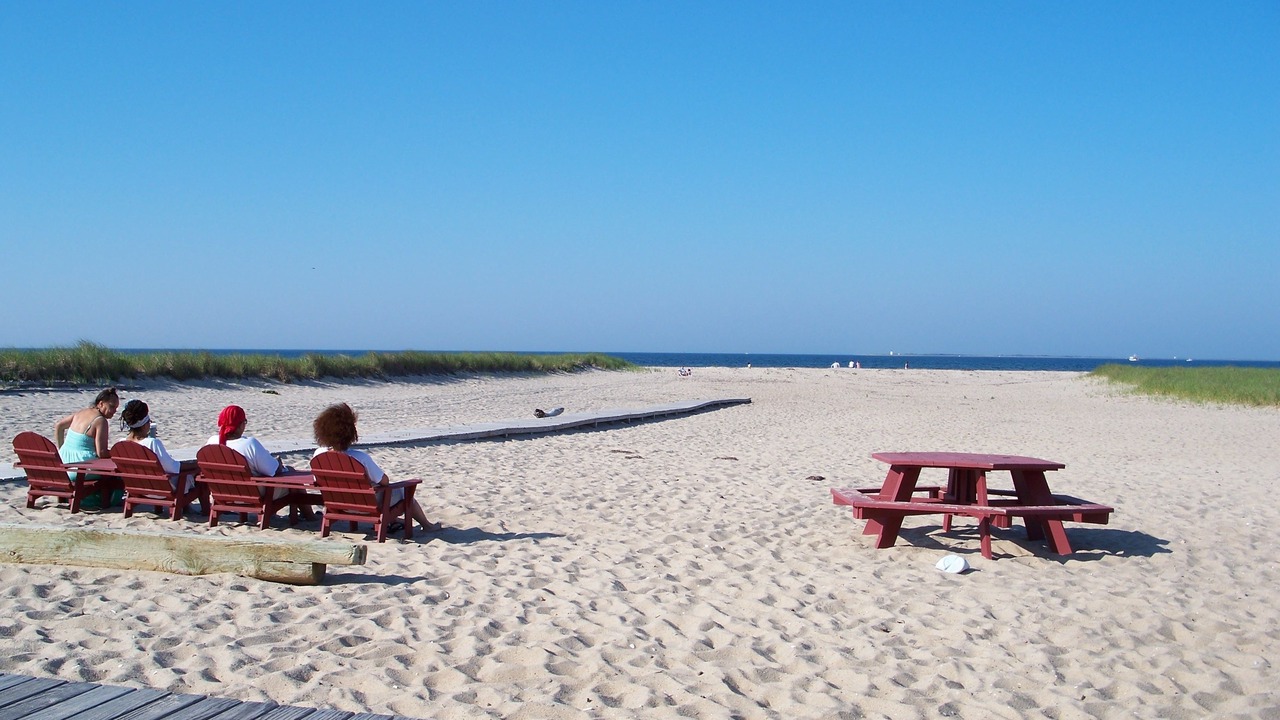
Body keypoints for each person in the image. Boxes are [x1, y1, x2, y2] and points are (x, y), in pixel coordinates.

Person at [311, 402, 441, 533]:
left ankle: (394, 521)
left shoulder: (318, 455)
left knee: (377, 492)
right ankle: (427, 526)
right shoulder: (360, 458)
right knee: (404, 492)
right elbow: (384, 481)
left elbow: (317, 479)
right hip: (367, 506)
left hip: (337, 504)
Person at [120, 399, 194, 494]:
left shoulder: (121, 444)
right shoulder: (152, 443)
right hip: (160, 491)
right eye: (149, 422)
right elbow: (173, 468)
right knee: (191, 476)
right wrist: (196, 465)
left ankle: (187, 508)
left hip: (136, 489)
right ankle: (189, 507)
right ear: (144, 425)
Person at [205, 405, 288, 476]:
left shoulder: (212, 442)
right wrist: (278, 464)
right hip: (254, 492)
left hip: (220, 489)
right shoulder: (249, 444)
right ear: (241, 425)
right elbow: (271, 471)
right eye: (245, 422)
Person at [54, 387, 119, 465]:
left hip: (63, 462)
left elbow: (59, 426)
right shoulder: (100, 421)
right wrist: (117, 455)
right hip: (82, 467)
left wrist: (62, 449)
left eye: (116, 408)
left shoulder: (81, 412)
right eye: (112, 406)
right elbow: (101, 453)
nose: (115, 411)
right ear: (101, 404)